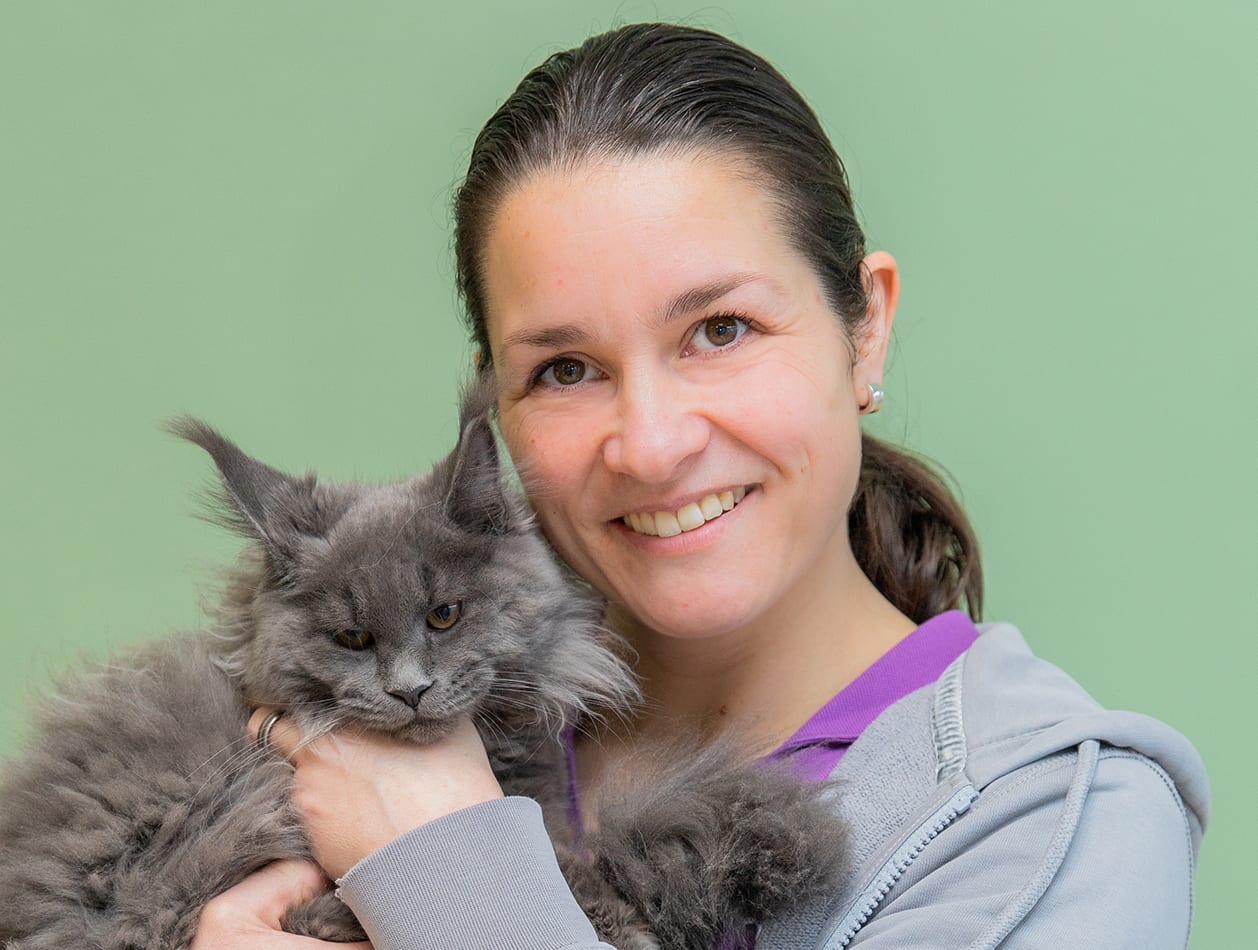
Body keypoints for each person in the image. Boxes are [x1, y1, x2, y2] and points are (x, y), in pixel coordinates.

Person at [192, 23, 1209, 949]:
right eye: (564, 368)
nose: (651, 443)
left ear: (866, 329)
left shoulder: (1058, 819)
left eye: (720, 331)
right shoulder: (349, 711)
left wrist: (450, 864)